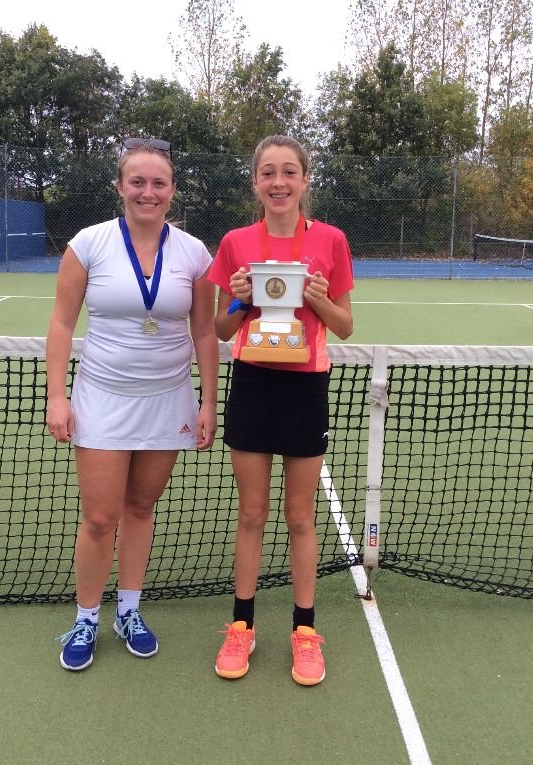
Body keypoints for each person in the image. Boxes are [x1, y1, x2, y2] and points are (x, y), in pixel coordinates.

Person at [46, 137, 219, 671]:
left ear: (171, 191)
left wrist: (209, 402)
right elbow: (61, 322)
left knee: (141, 509)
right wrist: (57, 395)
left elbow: (207, 333)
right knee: (100, 518)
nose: (148, 192)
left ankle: (130, 610)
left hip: (169, 400)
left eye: (159, 183)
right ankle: (85, 618)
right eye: (138, 182)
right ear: (121, 186)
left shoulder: (193, 253)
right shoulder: (89, 244)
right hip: (101, 398)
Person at [208, 135, 354, 687]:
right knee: (251, 514)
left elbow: (343, 325)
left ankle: (304, 632)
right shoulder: (235, 242)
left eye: (289, 172)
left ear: (304, 180)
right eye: (268, 172)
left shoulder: (332, 241)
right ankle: (242, 625)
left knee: (299, 517)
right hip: (252, 384)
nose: (278, 182)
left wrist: (315, 296)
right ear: (255, 182)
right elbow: (222, 329)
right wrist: (241, 299)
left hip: (305, 388)